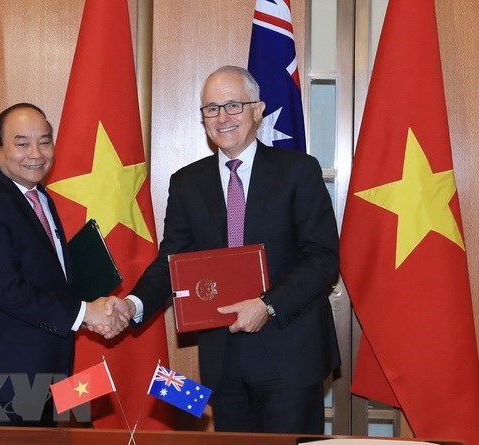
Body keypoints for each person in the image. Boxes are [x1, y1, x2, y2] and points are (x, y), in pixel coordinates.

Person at [115, 66, 341, 433]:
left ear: (258, 109)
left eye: (234, 105)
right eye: (211, 108)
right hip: (224, 360)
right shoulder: (187, 182)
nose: (222, 118)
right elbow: (171, 262)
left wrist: (267, 305)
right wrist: (132, 304)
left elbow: (321, 258)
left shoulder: (298, 171)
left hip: (291, 352)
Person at [0, 103, 128, 426]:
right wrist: (86, 312)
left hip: (42, 376)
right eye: (22, 143)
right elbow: (9, 290)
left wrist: (93, 306)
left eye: (44, 141)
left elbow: (48, 279)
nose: (36, 153)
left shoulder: (40, 197)